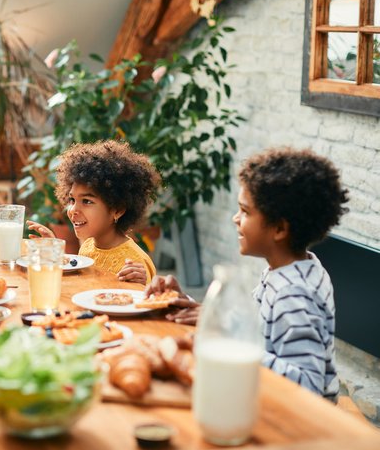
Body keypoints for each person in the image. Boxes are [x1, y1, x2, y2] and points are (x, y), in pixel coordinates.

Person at [146, 147, 349, 401]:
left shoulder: (293, 293)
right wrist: (201, 310)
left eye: (245, 211)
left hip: (297, 418)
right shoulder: (287, 270)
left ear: (279, 229)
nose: (235, 218)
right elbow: (257, 327)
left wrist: (227, 345)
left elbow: (309, 385)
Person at [27, 140, 161, 284]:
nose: (73, 210)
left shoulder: (134, 263)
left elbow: (149, 302)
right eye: (72, 200)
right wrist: (54, 251)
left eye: (87, 201)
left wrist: (142, 286)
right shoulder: (88, 246)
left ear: (117, 210)